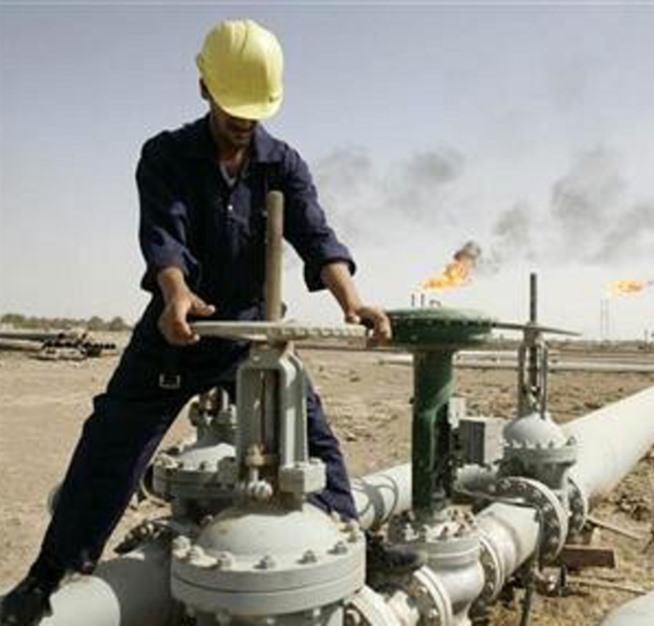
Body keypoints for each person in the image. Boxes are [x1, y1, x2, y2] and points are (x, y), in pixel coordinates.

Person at [1, 19, 407, 626]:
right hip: (177, 329)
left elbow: (316, 236)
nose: (243, 121)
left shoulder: (282, 164)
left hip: (249, 334)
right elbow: (162, 236)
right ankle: (49, 574)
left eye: (254, 110)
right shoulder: (165, 156)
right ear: (203, 88)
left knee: (310, 435)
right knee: (113, 440)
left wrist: (353, 302)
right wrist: (176, 295)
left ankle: (351, 537)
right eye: (232, 107)